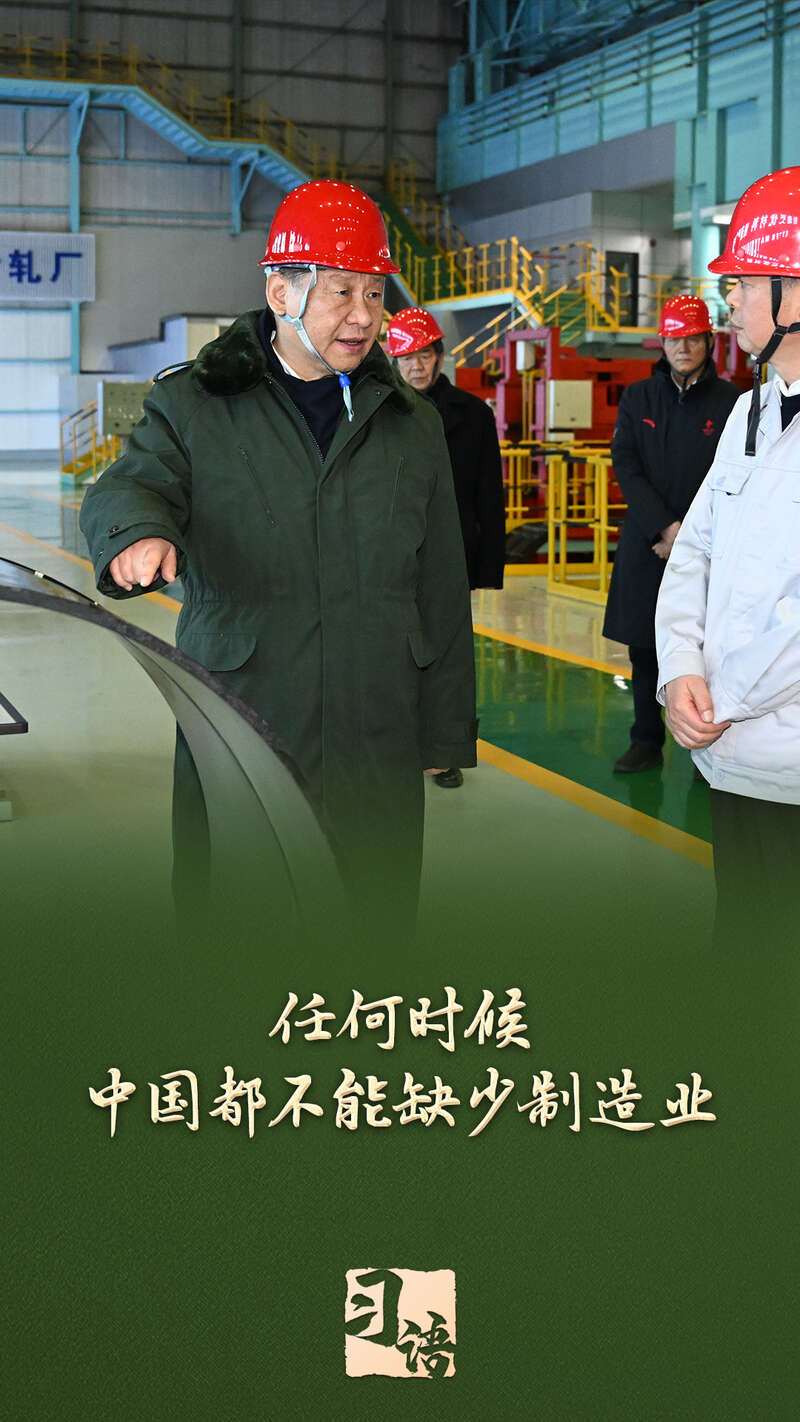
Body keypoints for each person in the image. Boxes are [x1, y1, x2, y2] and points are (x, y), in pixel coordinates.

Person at [79, 180, 477, 929]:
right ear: (280, 291)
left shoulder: (410, 424)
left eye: (375, 293)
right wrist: (137, 532)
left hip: (376, 721)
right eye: (340, 292)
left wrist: (445, 729)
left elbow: (440, 584)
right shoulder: (197, 404)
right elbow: (129, 485)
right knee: (239, 916)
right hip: (245, 712)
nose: (364, 316)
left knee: (373, 917)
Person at [655, 166, 800, 943]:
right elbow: (696, 553)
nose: (729, 303)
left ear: (794, 295)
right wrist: (681, 667)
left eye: (742, 283)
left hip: (786, 760)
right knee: (745, 943)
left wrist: (721, 700)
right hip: (731, 758)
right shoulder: (751, 411)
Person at [603, 294, 739, 772]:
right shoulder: (639, 397)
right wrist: (664, 527)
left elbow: (729, 476)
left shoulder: (733, 403)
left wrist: (691, 534)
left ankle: (709, 751)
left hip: (711, 546)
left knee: (712, 648)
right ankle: (645, 740)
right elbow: (626, 464)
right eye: (674, 338)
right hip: (650, 542)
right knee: (645, 647)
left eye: (692, 338)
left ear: (708, 341)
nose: (683, 347)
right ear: (661, 343)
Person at [386, 305, 505, 790]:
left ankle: (443, 748)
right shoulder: (380, 413)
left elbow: (489, 492)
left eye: (425, 355)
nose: (416, 366)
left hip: (452, 555)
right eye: (407, 357)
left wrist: (487, 566)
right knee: (392, 652)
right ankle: (396, 743)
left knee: (447, 656)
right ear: (394, 361)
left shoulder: (473, 415)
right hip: (393, 554)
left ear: (439, 356)